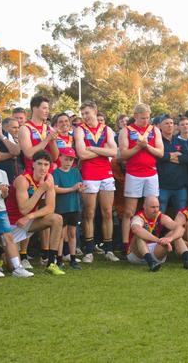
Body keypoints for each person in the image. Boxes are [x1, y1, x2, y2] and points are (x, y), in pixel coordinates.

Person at [5, 150, 65, 275]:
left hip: (26, 221)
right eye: (40, 164)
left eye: (46, 164)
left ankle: (51, 263)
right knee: (11, 267)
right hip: (11, 224)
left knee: (57, 219)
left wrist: (30, 216)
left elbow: (50, 208)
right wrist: (41, 190)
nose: (43, 168)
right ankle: (2, 253)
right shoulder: (23, 180)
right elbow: (23, 209)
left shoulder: (49, 177)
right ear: (33, 164)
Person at [74, 101, 119, 263]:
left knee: (107, 212)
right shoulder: (80, 130)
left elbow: (114, 151)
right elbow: (81, 154)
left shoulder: (107, 129)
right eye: (83, 114)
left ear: (95, 111)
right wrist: (102, 151)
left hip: (106, 174)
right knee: (89, 213)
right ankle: (89, 250)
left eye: (87, 112)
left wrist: (92, 148)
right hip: (89, 174)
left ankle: (108, 249)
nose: (85, 116)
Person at [119, 103, 164, 246]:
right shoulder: (126, 131)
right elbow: (124, 154)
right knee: (129, 211)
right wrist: (139, 147)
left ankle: (152, 241)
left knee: (153, 209)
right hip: (134, 173)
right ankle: (126, 244)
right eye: (143, 118)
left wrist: (147, 146)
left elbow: (160, 153)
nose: (146, 121)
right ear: (136, 116)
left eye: (148, 118)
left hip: (151, 173)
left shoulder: (154, 130)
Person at [0, 144, 33, 278]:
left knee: (8, 237)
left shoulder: (2, 173)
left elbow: (4, 196)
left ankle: (17, 268)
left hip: (1, 210)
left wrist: (4, 192)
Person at [127, 196, 188, 271]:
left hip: (156, 252)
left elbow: (180, 228)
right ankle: (151, 262)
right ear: (144, 206)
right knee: (139, 236)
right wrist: (158, 240)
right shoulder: (138, 217)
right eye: (152, 207)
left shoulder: (161, 216)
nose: (156, 210)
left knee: (174, 233)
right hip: (136, 255)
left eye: (157, 207)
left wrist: (170, 239)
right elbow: (136, 229)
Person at [52, 147, 84, 270]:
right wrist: (72, 188)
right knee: (61, 234)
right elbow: (55, 189)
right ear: (60, 158)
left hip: (74, 207)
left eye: (71, 160)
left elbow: (79, 186)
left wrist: (80, 188)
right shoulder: (56, 173)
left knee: (72, 233)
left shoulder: (75, 172)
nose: (68, 162)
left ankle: (73, 259)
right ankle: (59, 259)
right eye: (66, 159)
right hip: (62, 208)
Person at [157, 115, 188, 213]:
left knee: (181, 215)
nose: (169, 125)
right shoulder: (157, 142)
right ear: (160, 126)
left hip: (180, 186)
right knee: (159, 215)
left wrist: (166, 157)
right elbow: (156, 157)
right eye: (166, 123)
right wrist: (171, 155)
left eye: (171, 123)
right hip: (162, 185)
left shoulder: (180, 141)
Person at [18, 95, 59, 172]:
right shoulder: (25, 128)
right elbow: (29, 154)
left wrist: (52, 141)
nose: (47, 111)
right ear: (34, 109)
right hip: (31, 174)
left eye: (48, 109)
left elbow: (54, 157)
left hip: (48, 174)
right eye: (44, 108)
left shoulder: (49, 128)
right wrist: (47, 140)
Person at [0, 109, 21, 184]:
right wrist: (12, 154)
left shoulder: (6, 134)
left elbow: (17, 151)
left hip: (10, 177)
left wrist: (1, 136)